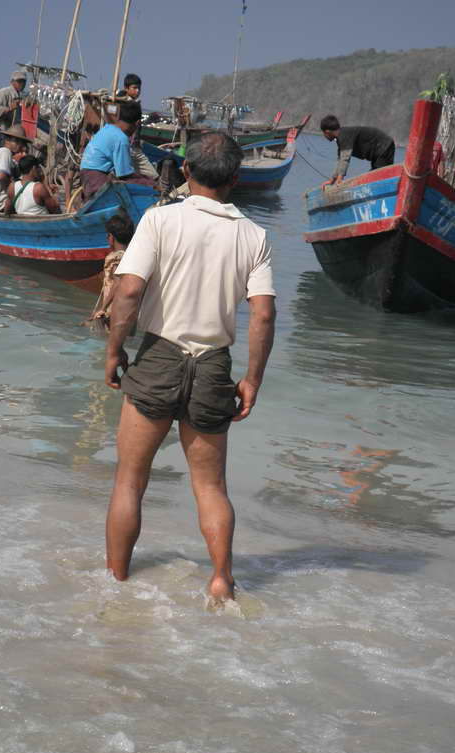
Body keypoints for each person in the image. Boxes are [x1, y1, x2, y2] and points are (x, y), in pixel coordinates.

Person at [104, 132, 276, 603]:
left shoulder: (159, 221)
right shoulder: (254, 236)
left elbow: (130, 292)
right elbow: (262, 313)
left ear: (186, 172)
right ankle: (221, 579)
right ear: (236, 179)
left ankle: (116, 580)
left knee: (130, 479)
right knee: (211, 486)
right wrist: (253, 379)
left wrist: (115, 349)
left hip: (159, 355)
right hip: (213, 365)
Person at [80, 101, 157, 198]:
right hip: (96, 180)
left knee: (143, 180)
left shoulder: (107, 128)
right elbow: (124, 175)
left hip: (86, 177)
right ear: (137, 123)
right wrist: (151, 183)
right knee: (150, 186)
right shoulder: (121, 138)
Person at [87, 209, 135, 330]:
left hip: (113, 311)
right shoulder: (131, 256)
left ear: (111, 238)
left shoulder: (116, 259)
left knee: (109, 342)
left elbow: (117, 283)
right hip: (127, 311)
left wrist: (103, 308)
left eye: (107, 235)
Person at [320, 115, 395, 187]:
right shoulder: (341, 138)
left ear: (327, 132)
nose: (324, 136)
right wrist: (332, 180)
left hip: (384, 146)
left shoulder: (344, 136)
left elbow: (345, 159)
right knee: (375, 177)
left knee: (378, 178)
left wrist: (340, 179)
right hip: (379, 151)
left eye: (323, 133)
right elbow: (340, 160)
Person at [117, 73, 158, 181]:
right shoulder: (122, 101)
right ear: (126, 88)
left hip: (135, 148)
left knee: (153, 176)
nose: (138, 91)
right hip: (126, 147)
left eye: (139, 88)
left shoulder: (135, 104)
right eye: (134, 88)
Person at [0, 70, 27, 135]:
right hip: (0, 130)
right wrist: (10, 108)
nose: (22, 84)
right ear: (12, 82)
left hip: (10, 132)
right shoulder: (3, 92)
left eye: (24, 82)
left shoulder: (21, 96)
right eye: (19, 81)